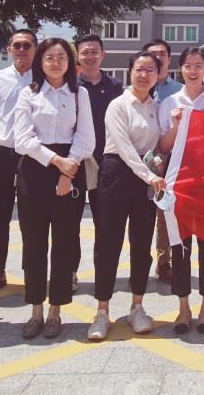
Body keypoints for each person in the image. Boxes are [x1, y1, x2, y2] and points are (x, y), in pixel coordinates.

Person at [14, 37, 94, 339]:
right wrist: (56, 162)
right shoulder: (29, 93)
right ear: (40, 62)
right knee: (33, 241)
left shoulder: (79, 94)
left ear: (69, 62)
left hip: (71, 169)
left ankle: (56, 311)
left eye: (61, 57)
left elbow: (86, 138)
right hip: (35, 169)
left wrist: (66, 172)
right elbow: (22, 139)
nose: (55, 62)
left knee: (64, 241)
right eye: (49, 57)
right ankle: (36, 309)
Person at [87, 51, 164, 341]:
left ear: (158, 75)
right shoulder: (118, 105)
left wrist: (156, 162)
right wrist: (149, 175)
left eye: (150, 70)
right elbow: (124, 147)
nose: (144, 75)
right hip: (116, 173)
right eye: (139, 69)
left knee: (142, 242)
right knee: (108, 242)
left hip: (145, 176)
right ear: (130, 72)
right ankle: (102, 311)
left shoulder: (156, 107)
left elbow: (155, 145)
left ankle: (137, 307)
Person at [157, 47, 204, 334]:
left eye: (198, 65)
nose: (193, 71)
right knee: (180, 244)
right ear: (181, 69)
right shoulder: (169, 102)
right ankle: (183, 307)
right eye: (188, 65)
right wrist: (175, 125)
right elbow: (163, 146)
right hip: (178, 180)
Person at [0, 28, 37, 297]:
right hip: (1, 153)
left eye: (27, 45)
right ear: (9, 49)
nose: (22, 50)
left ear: (35, 49)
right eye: (17, 45)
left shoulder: (43, 79)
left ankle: (31, 273)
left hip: (32, 155)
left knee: (31, 219)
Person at [75, 34, 124, 289]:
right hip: (75, 161)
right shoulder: (70, 84)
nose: (90, 56)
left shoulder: (115, 85)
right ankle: (70, 272)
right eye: (85, 52)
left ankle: (102, 275)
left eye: (95, 51)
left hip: (104, 161)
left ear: (102, 54)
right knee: (69, 222)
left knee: (103, 222)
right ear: (78, 56)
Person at [143, 37, 183, 282]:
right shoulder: (137, 86)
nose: (157, 58)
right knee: (140, 214)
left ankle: (164, 261)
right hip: (141, 158)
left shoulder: (179, 91)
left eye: (162, 54)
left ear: (168, 59)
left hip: (169, 159)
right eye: (152, 54)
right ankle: (139, 263)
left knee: (165, 211)